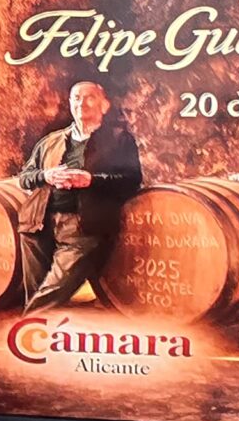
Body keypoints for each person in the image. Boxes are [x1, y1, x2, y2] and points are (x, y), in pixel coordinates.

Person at [14, 79, 144, 310]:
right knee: (36, 291)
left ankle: (24, 328)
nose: (81, 103)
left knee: (52, 291)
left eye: (89, 97)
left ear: (104, 105)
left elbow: (131, 181)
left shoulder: (118, 140)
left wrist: (91, 180)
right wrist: (46, 175)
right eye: (76, 98)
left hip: (83, 225)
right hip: (37, 223)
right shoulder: (51, 141)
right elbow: (25, 177)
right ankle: (39, 336)